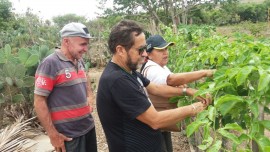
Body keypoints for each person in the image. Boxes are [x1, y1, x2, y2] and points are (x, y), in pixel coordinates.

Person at [96, 20, 212, 152]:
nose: (145, 54)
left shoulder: (129, 71)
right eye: (140, 50)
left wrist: (189, 91)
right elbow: (155, 120)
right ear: (121, 50)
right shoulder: (118, 80)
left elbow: (155, 88)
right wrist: (194, 108)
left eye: (144, 48)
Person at [141, 34, 215, 152]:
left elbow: (172, 82)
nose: (165, 52)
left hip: (162, 124)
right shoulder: (151, 68)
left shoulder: (161, 67)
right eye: (160, 50)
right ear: (148, 54)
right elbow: (171, 79)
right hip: (154, 124)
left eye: (166, 49)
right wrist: (204, 73)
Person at [34, 22, 97, 152]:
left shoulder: (78, 59)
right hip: (69, 136)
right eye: (82, 44)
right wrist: (53, 135)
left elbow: (85, 76)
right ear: (66, 41)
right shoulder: (50, 64)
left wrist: (89, 95)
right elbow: (39, 101)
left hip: (88, 127)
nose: (86, 49)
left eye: (87, 44)